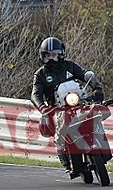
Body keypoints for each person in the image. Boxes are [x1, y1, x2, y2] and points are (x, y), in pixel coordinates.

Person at [31, 36, 104, 173]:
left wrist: (97, 88)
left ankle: (101, 145)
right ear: (43, 56)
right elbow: (35, 94)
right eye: (49, 55)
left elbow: (85, 75)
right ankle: (64, 156)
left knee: (96, 114)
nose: (53, 58)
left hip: (79, 102)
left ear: (61, 53)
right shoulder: (40, 74)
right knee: (60, 130)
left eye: (56, 54)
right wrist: (43, 107)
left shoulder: (70, 66)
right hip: (57, 108)